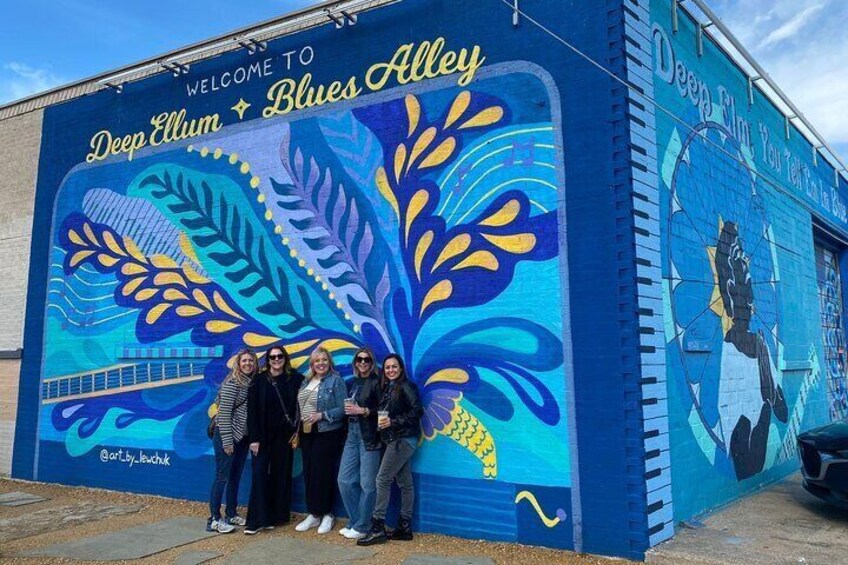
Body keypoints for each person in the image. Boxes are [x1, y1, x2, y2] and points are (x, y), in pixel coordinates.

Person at [357, 354, 423, 545]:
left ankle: (377, 527)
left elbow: (417, 411)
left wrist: (393, 422)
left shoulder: (406, 386)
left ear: (401, 368)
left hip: (401, 439)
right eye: (387, 367)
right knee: (405, 483)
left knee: (382, 479)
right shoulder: (389, 387)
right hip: (396, 439)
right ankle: (404, 527)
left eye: (394, 366)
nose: (391, 370)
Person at [244, 345, 304, 535]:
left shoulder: (294, 378)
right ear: (268, 360)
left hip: (284, 437)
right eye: (272, 357)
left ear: (285, 358)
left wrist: (297, 430)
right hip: (262, 437)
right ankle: (255, 520)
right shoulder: (259, 380)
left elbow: (304, 401)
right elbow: (252, 410)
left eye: (279, 356)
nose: (276, 359)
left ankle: (276, 516)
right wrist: (254, 438)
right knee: (259, 474)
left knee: (281, 475)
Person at [295, 346, 347, 534]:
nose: (321, 363)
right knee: (309, 472)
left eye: (324, 360)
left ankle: (327, 514)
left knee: (322, 473)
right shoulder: (306, 380)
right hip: (307, 432)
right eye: (317, 360)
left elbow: (343, 409)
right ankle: (313, 513)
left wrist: (322, 415)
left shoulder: (336, 381)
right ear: (312, 364)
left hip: (327, 432)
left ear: (329, 362)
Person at [207, 348, 257, 533]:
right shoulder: (232, 383)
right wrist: (227, 442)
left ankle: (231, 513)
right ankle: (214, 519)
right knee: (222, 476)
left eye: (250, 361)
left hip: (242, 438)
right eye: (244, 361)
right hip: (226, 436)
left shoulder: (251, 383)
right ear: (238, 363)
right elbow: (224, 414)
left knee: (235, 476)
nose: (247, 364)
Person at [337, 347, 382, 540]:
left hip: (369, 435)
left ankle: (363, 526)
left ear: (372, 363)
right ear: (355, 362)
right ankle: (357, 521)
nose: (363, 362)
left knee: (368, 484)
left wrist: (363, 411)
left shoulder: (377, 382)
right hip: (352, 433)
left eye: (367, 360)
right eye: (359, 359)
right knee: (344, 480)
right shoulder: (354, 382)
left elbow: (384, 409)